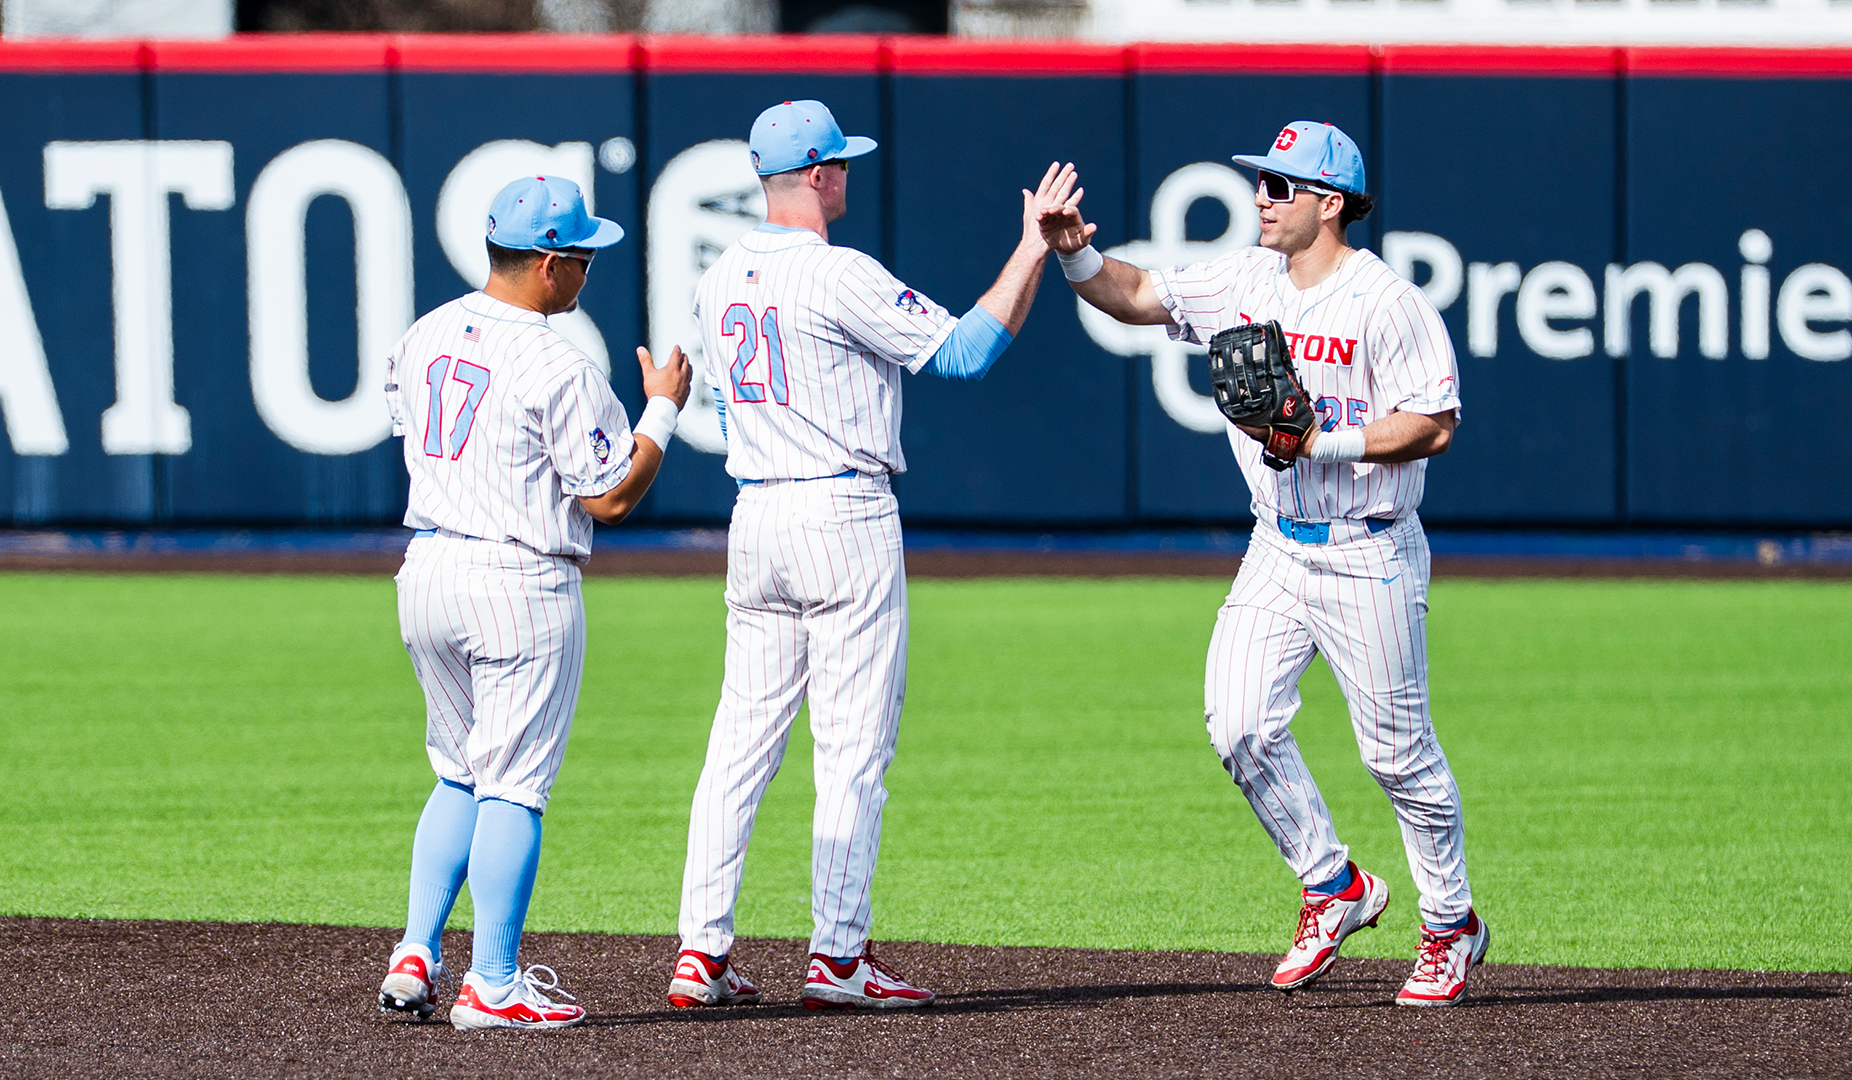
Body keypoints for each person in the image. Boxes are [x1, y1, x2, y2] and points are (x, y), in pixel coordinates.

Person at [1039, 122, 1486, 1007]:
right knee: (1238, 723)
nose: (1261, 198)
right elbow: (1134, 296)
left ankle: (1451, 924)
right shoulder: (1242, 278)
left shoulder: (1387, 303)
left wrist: (1327, 438)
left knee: (1398, 756)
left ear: (1330, 203)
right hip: (1277, 544)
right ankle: (1334, 885)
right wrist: (1076, 257)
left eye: (1281, 187)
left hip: (1370, 549)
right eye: (1261, 182)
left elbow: (1435, 423)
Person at [667, 99, 1074, 1011]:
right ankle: (838, 958)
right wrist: (1033, 247)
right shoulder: (837, 273)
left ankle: (701, 952)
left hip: (756, 514)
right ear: (815, 173)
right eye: (839, 162)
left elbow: (727, 410)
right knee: (850, 750)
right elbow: (965, 354)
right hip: (841, 514)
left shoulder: (719, 274)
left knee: (738, 743)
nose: (848, 173)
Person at [376, 175, 692, 1030]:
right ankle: (493, 983)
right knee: (513, 787)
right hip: (516, 581)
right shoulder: (558, 361)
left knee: (456, 770)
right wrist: (661, 411)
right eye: (582, 257)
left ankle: (415, 952)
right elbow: (611, 498)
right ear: (549, 265)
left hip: (429, 567)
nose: (590, 270)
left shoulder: (425, 331)